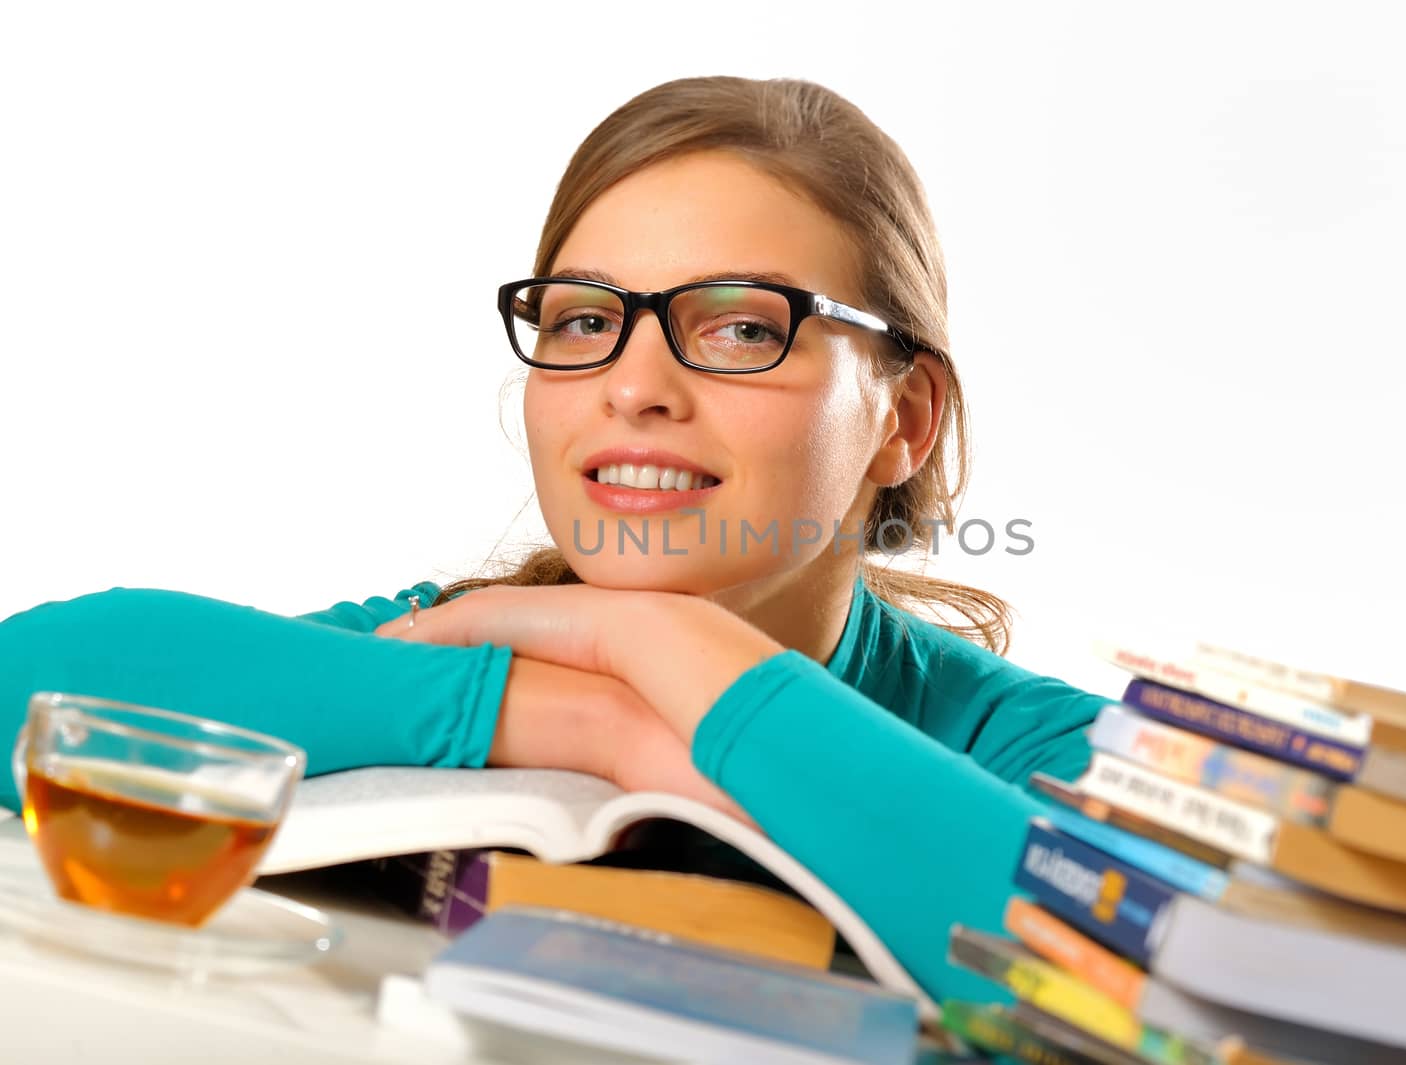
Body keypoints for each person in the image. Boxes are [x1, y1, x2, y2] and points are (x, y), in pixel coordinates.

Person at [0, 75, 1111, 1005]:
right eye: (584, 319)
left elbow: (1141, 980)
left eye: (738, 327)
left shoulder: (1030, 745)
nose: (633, 387)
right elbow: (40, 685)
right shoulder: (471, 647)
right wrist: (589, 715)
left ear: (902, 420)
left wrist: (680, 656)